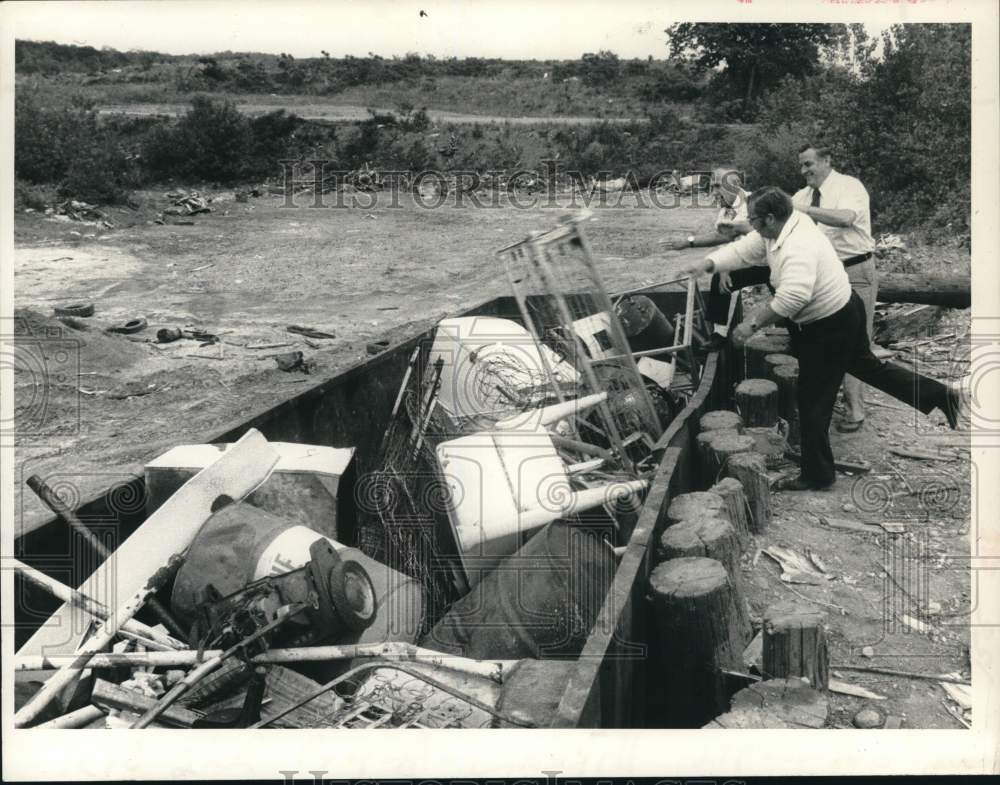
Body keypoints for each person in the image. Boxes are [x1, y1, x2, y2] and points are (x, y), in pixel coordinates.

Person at [681, 187, 962, 491]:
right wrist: (709, 263)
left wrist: (751, 324)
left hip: (828, 325)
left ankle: (817, 474)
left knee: (813, 400)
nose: (751, 225)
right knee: (869, 369)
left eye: (754, 219)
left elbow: (793, 297)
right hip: (843, 309)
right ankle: (939, 395)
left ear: (771, 218)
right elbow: (745, 249)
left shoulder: (797, 245)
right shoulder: (783, 225)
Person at [793, 145, 877, 433]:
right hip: (823, 276)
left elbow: (845, 218)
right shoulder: (801, 195)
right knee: (823, 338)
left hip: (855, 270)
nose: (804, 171)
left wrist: (802, 210)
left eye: (809, 164)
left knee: (857, 342)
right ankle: (824, 405)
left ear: (827, 160)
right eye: (801, 166)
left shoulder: (849, 186)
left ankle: (855, 409)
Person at [661, 168, 757, 350]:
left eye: (717, 186)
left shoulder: (751, 203)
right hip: (754, 259)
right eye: (712, 187)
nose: (713, 193)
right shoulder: (726, 209)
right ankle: (719, 335)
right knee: (719, 282)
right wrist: (688, 243)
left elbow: (736, 238)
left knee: (785, 295)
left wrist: (724, 267)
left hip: (773, 258)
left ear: (735, 185)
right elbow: (722, 237)